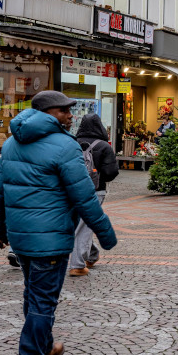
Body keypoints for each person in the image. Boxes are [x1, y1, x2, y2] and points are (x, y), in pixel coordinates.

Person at [0, 90, 117, 355]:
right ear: (48, 113)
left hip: (22, 239)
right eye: (65, 111)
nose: (71, 116)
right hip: (52, 241)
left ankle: (44, 349)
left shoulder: (12, 143)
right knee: (43, 304)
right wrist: (107, 236)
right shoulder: (63, 146)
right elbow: (84, 197)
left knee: (33, 297)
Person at [67, 114, 119, 277]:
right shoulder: (103, 146)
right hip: (96, 190)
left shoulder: (71, 143)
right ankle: (77, 265)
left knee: (79, 222)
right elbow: (111, 172)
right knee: (85, 224)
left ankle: (91, 255)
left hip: (72, 190)